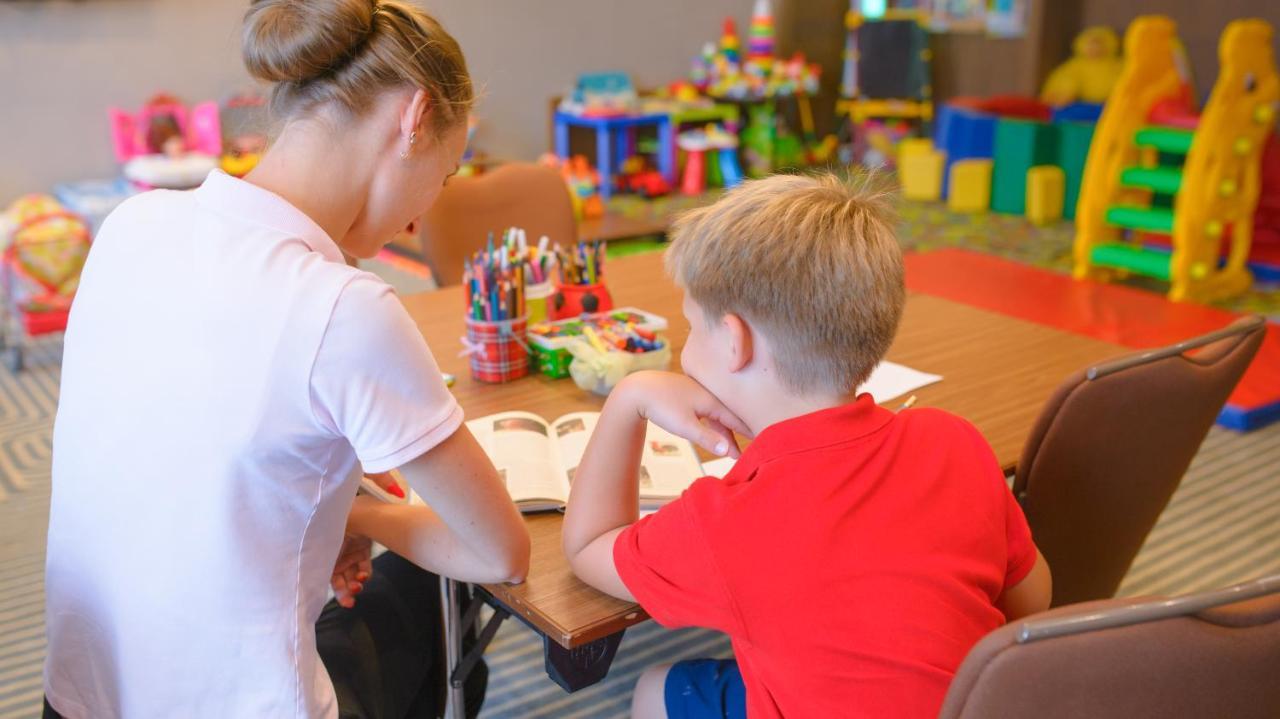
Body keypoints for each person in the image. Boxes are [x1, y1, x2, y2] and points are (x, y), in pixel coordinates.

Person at [43, 2, 529, 717]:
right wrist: (363, 519)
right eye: (446, 174)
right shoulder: (345, 307)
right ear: (413, 118)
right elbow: (500, 554)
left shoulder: (131, 224)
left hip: (77, 699)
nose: (423, 217)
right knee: (432, 593)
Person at [562, 174, 1052, 719]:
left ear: (734, 340)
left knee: (656, 688)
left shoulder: (723, 521)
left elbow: (588, 547)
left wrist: (630, 398)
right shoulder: (953, 440)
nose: (684, 350)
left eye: (690, 330)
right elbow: (1031, 599)